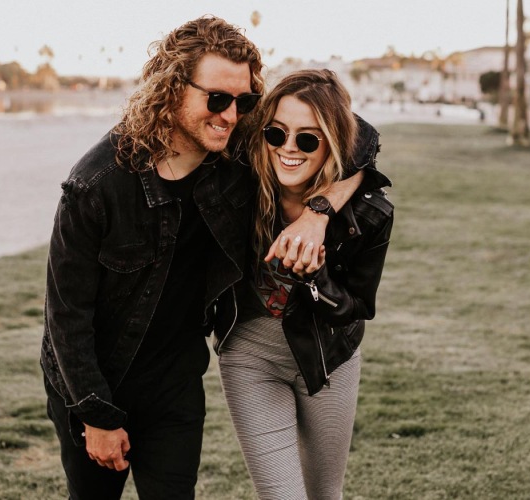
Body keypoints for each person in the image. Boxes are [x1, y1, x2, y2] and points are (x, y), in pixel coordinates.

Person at [40, 17, 372, 500]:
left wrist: (317, 214)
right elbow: (65, 315)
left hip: (174, 385)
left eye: (245, 101)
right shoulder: (96, 185)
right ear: (171, 89)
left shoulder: (233, 155)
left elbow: (359, 141)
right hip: (94, 381)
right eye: (217, 99)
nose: (231, 115)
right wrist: (95, 413)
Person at [216, 69, 393, 499]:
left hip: (329, 358)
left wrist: (315, 274)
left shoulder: (370, 214)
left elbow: (355, 307)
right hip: (249, 357)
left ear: (331, 144)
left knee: (324, 494)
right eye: (277, 133)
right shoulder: (243, 177)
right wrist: (319, 210)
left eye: (308, 139)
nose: (288, 149)